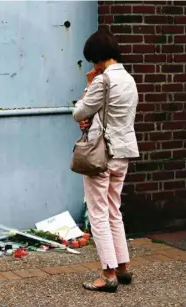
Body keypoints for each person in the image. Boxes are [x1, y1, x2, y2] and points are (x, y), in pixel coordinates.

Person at [72, 28, 139, 293]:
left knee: (98, 213)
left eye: (92, 60)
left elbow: (79, 112)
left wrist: (89, 83)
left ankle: (107, 274)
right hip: (123, 153)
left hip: (102, 155)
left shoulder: (102, 80)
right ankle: (122, 267)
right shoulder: (129, 80)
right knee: (114, 210)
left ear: (97, 57)